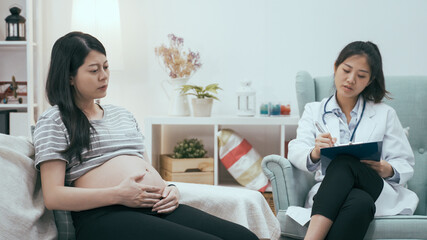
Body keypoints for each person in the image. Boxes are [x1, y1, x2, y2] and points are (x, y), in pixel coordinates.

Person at [33, 31, 259, 240]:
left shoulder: (122, 114)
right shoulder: (54, 121)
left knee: (243, 237)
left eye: (106, 67)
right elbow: (53, 196)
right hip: (103, 216)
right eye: (94, 70)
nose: (104, 76)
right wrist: (118, 195)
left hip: (155, 206)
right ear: (70, 77)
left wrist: (169, 188)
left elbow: (144, 166)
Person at [288, 41, 419, 240]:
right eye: (346, 70)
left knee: (344, 162)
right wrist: (315, 152)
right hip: (334, 191)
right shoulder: (314, 110)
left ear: (370, 80)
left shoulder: (385, 114)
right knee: (360, 203)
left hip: (374, 184)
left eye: (361, 76)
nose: (351, 80)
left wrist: (387, 169)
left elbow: (405, 162)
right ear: (335, 67)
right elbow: (296, 149)